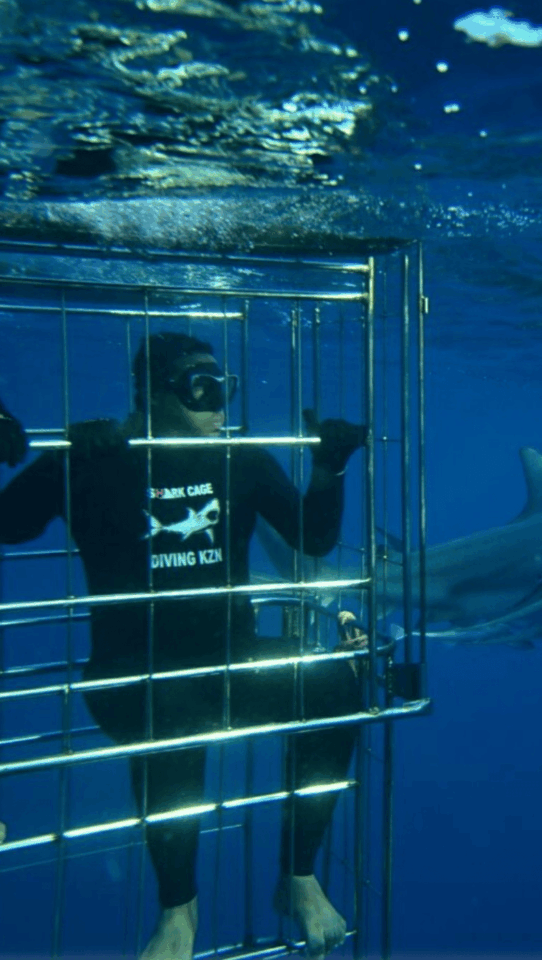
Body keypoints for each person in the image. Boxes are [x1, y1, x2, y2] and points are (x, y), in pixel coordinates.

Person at [0, 332, 367, 960]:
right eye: (202, 389)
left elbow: (313, 538)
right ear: (152, 392)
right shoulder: (90, 458)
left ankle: (299, 875)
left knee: (335, 687)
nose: (218, 404)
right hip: (131, 672)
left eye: (226, 388)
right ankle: (179, 909)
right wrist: (30, 455)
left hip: (232, 659)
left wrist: (329, 468)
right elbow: (7, 524)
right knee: (169, 713)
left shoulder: (241, 459)